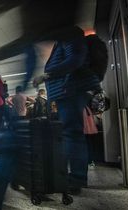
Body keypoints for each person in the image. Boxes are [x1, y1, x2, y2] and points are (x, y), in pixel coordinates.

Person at [33, 26, 101, 195]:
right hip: (68, 90)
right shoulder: (64, 39)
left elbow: (75, 60)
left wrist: (47, 75)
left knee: (72, 133)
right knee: (71, 133)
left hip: (70, 90)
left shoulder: (70, 34)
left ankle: (76, 179)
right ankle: (74, 177)